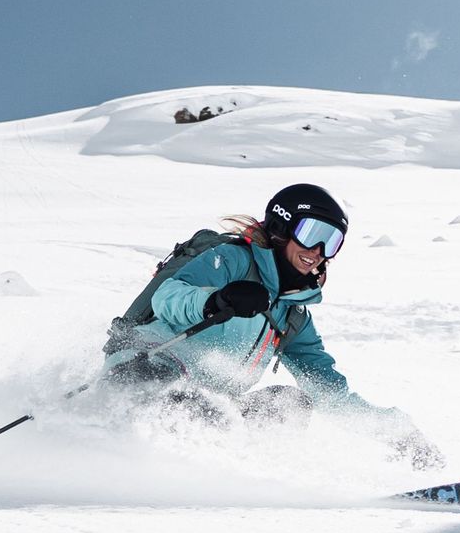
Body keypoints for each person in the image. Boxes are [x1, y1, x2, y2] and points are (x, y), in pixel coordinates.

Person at [102, 181, 436, 462]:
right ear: (282, 227)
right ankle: (129, 461)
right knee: (203, 410)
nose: (319, 250)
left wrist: (397, 432)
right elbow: (168, 295)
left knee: (287, 404)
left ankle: (253, 479)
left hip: (212, 407)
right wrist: (216, 300)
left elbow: (331, 394)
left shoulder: (291, 315)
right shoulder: (233, 260)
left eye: (332, 241)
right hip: (145, 372)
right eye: (313, 233)